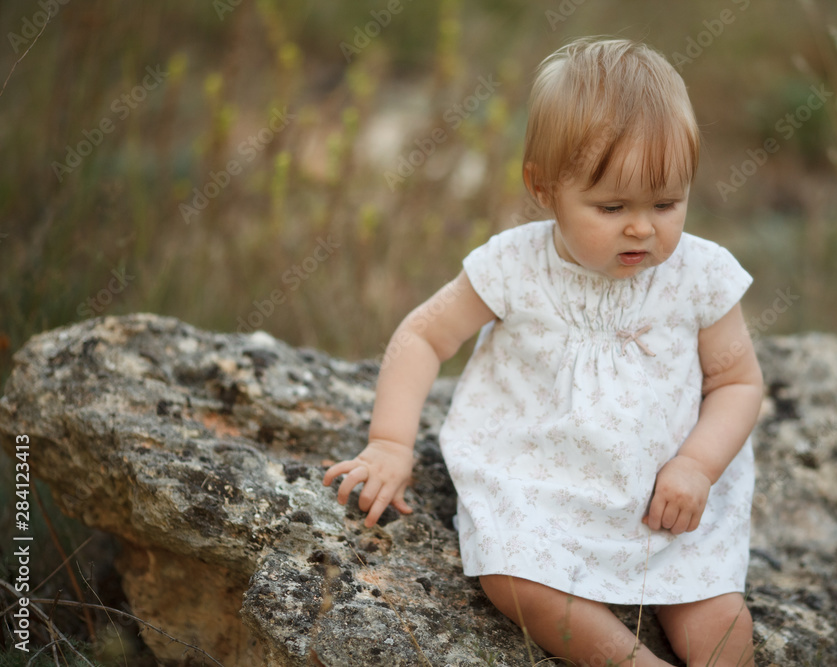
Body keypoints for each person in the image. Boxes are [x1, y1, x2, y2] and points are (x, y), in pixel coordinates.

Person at [324, 37, 762, 667]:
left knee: (718, 617)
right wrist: (391, 441)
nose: (642, 227)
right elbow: (425, 336)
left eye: (666, 203)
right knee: (512, 578)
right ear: (544, 188)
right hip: (540, 482)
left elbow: (737, 384)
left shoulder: (701, 275)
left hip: (664, 497)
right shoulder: (514, 266)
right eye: (611, 207)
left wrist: (696, 465)